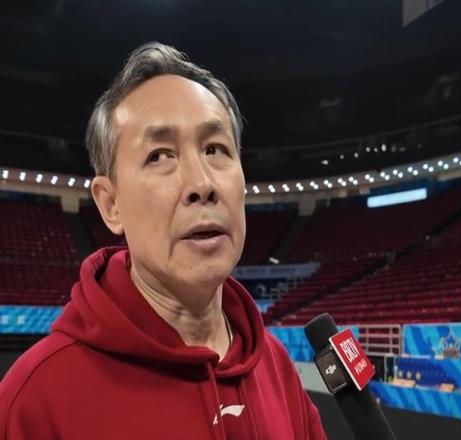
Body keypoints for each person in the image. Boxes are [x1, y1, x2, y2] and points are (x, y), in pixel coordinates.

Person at [0, 42, 326, 439]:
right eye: (159, 156)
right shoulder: (33, 401)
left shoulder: (278, 369)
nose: (201, 183)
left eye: (215, 149)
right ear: (111, 205)